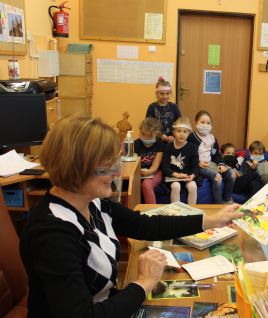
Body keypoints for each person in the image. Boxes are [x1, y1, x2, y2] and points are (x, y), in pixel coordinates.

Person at [19, 113, 241, 318]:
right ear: (78, 169)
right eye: (107, 167)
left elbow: (145, 225)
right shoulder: (52, 234)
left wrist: (209, 221)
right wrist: (144, 283)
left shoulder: (92, 202)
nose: (117, 173)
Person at [188, 110, 235, 203]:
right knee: (217, 177)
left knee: (232, 174)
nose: (205, 125)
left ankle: (227, 199)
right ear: (196, 123)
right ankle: (218, 204)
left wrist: (221, 164)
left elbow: (215, 154)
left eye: (208, 123)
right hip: (199, 166)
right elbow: (188, 155)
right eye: (202, 122)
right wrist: (197, 162)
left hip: (211, 164)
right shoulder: (191, 138)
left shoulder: (212, 139)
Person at [161, 117, 198, 205]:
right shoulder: (168, 147)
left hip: (187, 177)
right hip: (173, 177)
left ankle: (192, 211)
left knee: (193, 186)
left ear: (189, 133)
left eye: (185, 131)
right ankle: (176, 212)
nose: (182, 134)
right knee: (176, 186)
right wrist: (176, 175)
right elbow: (165, 166)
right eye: (179, 131)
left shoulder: (192, 147)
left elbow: (195, 166)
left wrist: (192, 175)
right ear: (173, 133)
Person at [134, 118, 164, 204]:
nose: (145, 138)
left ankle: (151, 213)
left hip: (155, 172)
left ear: (156, 134)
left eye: (149, 135)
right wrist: (139, 172)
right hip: (140, 172)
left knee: (146, 185)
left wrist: (149, 172)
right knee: (131, 184)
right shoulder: (136, 144)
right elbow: (134, 163)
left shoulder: (160, 144)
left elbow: (156, 165)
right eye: (143, 134)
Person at [145, 77, 181, 143]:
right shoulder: (152, 107)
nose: (165, 96)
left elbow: (180, 124)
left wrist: (175, 136)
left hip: (172, 139)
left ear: (170, 93)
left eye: (167, 93)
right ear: (157, 94)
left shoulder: (174, 107)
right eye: (162, 94)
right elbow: (148, 125)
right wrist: (160, 135)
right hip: (156, 139)